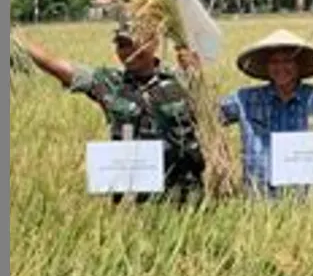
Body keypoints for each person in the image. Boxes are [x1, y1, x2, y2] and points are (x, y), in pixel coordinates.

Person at [18, 21, 205, 204]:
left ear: (153, 43)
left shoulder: (181, 79)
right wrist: (16, 38)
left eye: (134, 44)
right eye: (122, 45)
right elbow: (56, 65)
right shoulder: (109, 83)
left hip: (185, 196)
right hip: (132, 202)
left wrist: (196, 74)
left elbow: (210, 114)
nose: (128, 52)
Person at [180, 30, 313, 201]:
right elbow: (207, 115)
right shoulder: (244, 99)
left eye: (288, 61)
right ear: (267, 67)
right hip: (259, 199)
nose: (281, 67)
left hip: (308, 199)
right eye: (274, 61)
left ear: (298, 65)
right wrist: (194, 77)